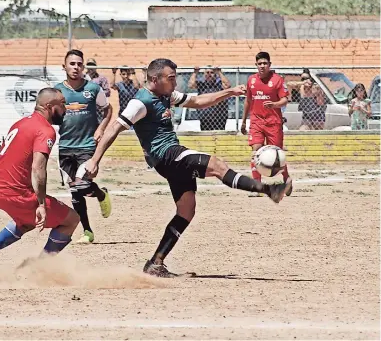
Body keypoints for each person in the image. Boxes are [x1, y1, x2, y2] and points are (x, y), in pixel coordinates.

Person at [84, 58, 292, 278]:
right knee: (217, 165)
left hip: (170, 158)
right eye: (171, 78)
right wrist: (95, 160)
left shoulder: (165, 95)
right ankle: (269, 190)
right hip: (167, 155)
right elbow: (114, 128)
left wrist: (229, 92)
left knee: (186, 210)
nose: (175, 83)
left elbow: (198, 101)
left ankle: (155, 264)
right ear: (155, 79)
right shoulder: (140, 102)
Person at [0, 88, 80, 278]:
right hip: (16, 193)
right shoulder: (45, 129)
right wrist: (41, 205)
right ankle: (39, 269)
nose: (66, 109)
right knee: (71, 219)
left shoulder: (19, 124)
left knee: (25, 223)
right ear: (49, 107)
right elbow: (38, 168)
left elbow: (1, 159)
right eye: (62, 104)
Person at [55, 50, 113, 244]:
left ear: (83, 67)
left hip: (87, 146)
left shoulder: (93, 89)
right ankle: (88, 231)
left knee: (82, 185)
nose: (76, 67)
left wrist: (101, 129)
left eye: (79, 64)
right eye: (72, 64)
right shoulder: (56, 92)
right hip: (65, 147)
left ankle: (100, 194)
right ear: (64, 67)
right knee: (75, 191)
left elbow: (108, 110)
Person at [241, 52, 292, 197]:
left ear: (270, 65)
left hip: (273, 123)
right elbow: (248, 101)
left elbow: (285, 100)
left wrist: (274, 104)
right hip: (256, 121)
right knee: (256, 152)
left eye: (265, 63)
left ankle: (286, 179)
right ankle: (257, 187)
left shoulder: (277, 80)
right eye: (259, 63)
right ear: (256, 65)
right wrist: (244, 121)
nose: (262, 66)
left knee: (277, 155)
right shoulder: (251, 80)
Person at [188, 66, 231, 131]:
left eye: (212, 72)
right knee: (205, 135)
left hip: (219, 116)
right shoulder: (201, 84)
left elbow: (227, 85)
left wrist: (219, 72)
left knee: (220, 134)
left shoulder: (219, 83)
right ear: (204, 74)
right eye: (207, 72)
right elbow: (191, 85)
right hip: (205, 116)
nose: (209, 74)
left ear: (215, 75)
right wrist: (195, 72)